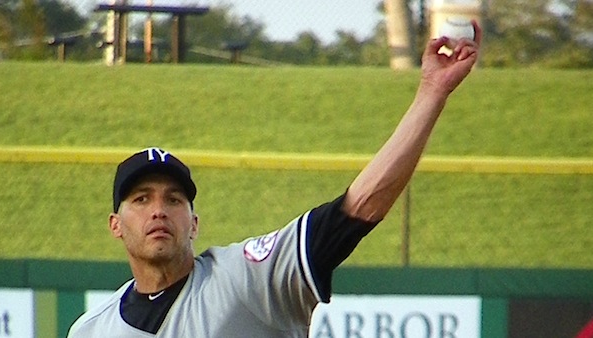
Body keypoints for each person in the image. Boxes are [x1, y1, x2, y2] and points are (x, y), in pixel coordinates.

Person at [67, 22, 482, 338]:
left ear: (194, 223)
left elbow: (359, 207)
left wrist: (431, 92)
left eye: (174, 199)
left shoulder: (247, 280)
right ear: (115, 225)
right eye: (141, 199)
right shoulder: (91, 330)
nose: (159, 209)